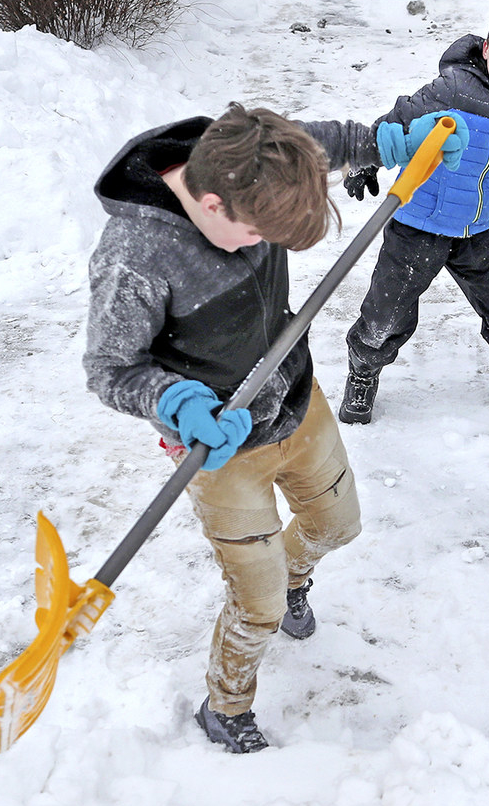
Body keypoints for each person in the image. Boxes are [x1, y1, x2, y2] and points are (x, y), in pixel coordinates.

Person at [82, 103, 465, 753]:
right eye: (255, 235)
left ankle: (295, 578)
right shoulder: (136, 256)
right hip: (219, 447)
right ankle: (225, 707)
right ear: (211, 203)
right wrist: (175, 401)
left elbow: (326, 143)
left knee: (336, 526)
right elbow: (109, 367)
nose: (261, 248)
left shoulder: (257, 152)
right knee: (253, 607)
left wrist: (394, 142)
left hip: (294, 397)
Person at [335, 4, 489, 423]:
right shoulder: (452, 89)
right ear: (487, 48)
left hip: (475, 228)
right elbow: (399, 118)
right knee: (385, 314)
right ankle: (362, 374)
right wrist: (364, 159)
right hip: (417, 225)